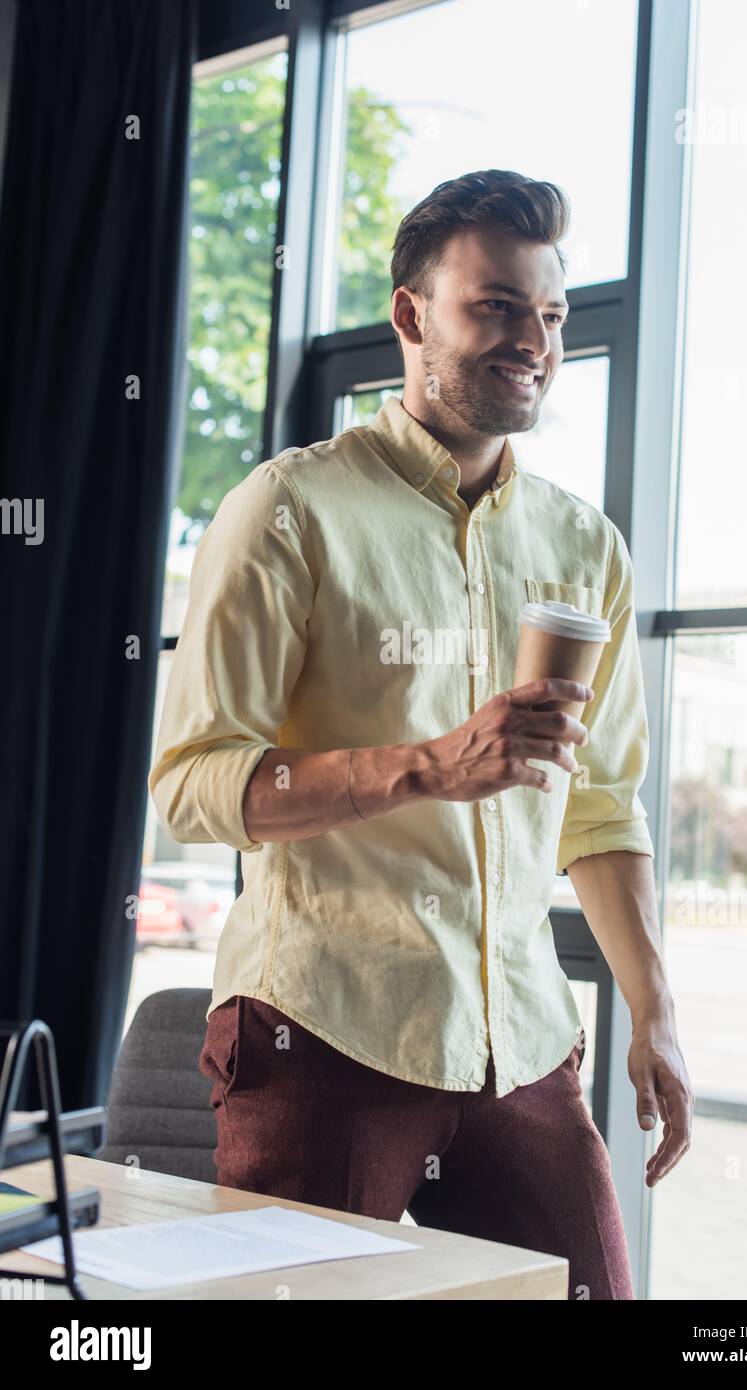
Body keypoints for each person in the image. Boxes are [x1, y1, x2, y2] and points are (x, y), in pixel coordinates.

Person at [149, 169, 693, 1301]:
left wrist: (654, 1011)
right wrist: (428, 767)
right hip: (323, 1028)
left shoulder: (586, 546)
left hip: (523, 1044)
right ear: (411, 315)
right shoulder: (289, 511)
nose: (532, 341)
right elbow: (195, 784)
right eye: (494, 305)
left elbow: (599, 804)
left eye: (549, 315)